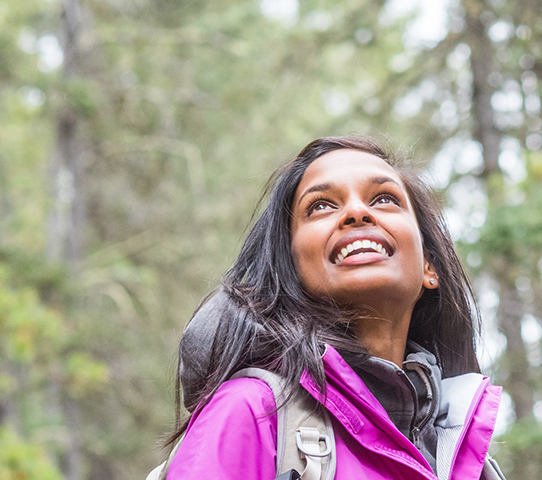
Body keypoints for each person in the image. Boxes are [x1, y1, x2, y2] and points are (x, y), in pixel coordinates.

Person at [161, 136, 505, 479]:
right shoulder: (251, 412)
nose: (357, 212)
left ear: (429, 267)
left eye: (384, 198)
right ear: (291, 269)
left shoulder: (470, 463)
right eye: (321, 205)